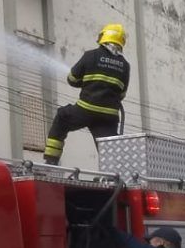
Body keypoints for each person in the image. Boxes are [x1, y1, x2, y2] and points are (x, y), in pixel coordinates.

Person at [43, 24, 130, 165]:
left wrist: (86, 83)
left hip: (85, 109)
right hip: (109, 116)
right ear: (121, 42)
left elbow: (72, 79)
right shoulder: (125, 65)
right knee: (109, 149)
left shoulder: (90, 56)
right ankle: (113, 174)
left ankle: (51, 161)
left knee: (62, 117)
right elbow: (122, 94)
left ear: (103, 37)